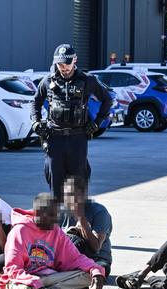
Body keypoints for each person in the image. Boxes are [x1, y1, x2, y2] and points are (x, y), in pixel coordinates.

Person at [31, 44, 112, 200]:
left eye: (67, 64)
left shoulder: (87, 80)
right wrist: (36, 121)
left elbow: (107, 100)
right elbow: (35, 102)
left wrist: (97, 123)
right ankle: (57, 223)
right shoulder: (48, 81)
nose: (64, 68)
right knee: (55, 187)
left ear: (75, 60)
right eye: (60, 64)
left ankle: (77, 222)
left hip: (78, 139)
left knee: (78, 187)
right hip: (55, 139)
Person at [0, 193, 105, 289]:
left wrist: (95, 270)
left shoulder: (56, 230)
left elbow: (75, 258)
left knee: (88, 276)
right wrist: (32, 281)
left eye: (56, 216)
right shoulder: (20, 231)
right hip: (23, 280)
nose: (55, 220)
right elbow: (13, 269)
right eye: (51, 215)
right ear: (38, 213)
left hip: (48, 278)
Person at [59, 176, 113, 278]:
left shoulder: (99, 212)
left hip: (96, 259)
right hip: (69, 257)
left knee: (97, 270)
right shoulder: (61, 212)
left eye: (74, 195)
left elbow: (96, 247)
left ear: (84, 195)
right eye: (67, 195)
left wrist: (81, 219)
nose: (70, 200)